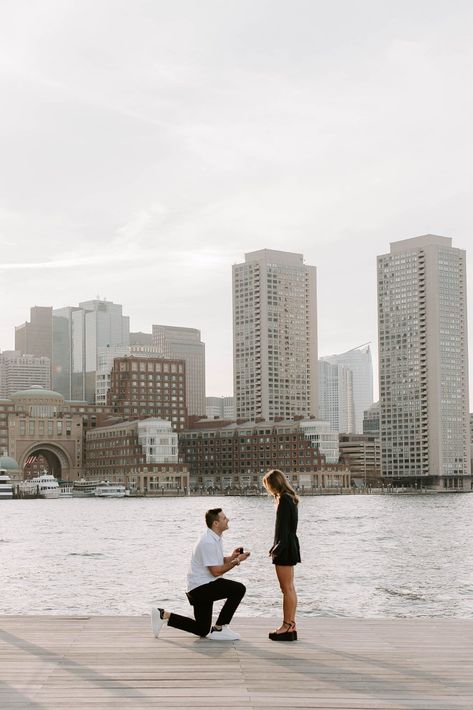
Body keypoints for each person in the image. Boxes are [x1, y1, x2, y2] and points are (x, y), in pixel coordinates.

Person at [151, 508, 250, 641]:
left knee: (202, 629)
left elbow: (217, 562)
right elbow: (215, 572)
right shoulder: (208, 541)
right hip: (201, 588)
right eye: (224, 518)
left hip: (201, 586)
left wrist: (232, 557)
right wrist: (237, 561)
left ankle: (163, 615)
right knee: (239, 589)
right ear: (216, 523)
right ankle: (219, 628)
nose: (228, 520)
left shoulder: (215, 538)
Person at [262, 469, 301, 642]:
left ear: (273, 484)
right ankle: (291, 625)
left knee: (286, 589)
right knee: (290, 588)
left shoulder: (284, 500)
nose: (268, 490)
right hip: (290, 545)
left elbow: (283, 530)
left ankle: (286, 626)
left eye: (267, 486)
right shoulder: (290, 498)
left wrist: (276, 548)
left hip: (284, 547)